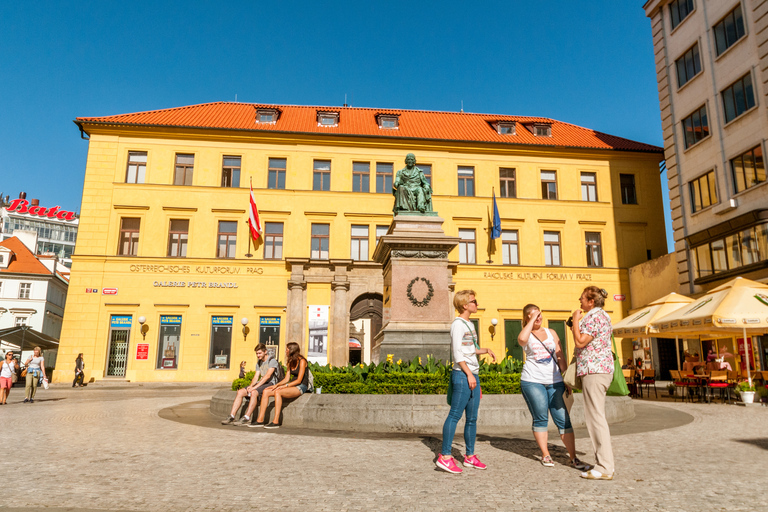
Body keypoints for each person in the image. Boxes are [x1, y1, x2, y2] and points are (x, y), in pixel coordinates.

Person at [518, 304, 590, 470]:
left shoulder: (551, 333)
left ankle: (573, 457)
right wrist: (530, 322)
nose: (539, 317)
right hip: (533, 381)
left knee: (563, 419)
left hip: (555, 381)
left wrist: (566, 379)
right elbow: (521, 340)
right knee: (541, 418)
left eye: (539, 314)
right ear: (528, 317)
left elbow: (560, 356)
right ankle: (545, 454)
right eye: (534, 315)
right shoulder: (527, 334)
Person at [436, 290, 496, 474]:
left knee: (472, 418)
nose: (476, 304)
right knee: (455, 414)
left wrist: (485, 350)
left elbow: (469, 348)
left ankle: (469, 456)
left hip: (472, 375)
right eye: (473, 301)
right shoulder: (458, 325)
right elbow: (457, 353)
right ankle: (445, 456)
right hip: (462, 375)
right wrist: (469, 374)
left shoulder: (470, 324)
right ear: (465, 305)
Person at [571, 286, 615, 480]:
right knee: (597, 417)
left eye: (582, 299)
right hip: (602, 370)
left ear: (590, 301)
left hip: (594, 371)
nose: (579, 301)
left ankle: (605, 467)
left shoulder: (593, 317)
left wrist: (575, 321)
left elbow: (580, 342)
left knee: (596, 418)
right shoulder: (604, 316)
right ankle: (604, 464)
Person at [221, 344, 280, 426]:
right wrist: (251, 386)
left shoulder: (272, 361)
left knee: (254, 392)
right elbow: (256, 376)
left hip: (271, 383)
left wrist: (254, 388)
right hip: (261, 383)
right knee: (240, 392)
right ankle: (232, 416)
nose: (258, 355)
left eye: (259, 353)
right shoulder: (259, 362)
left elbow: (267, 376)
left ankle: (247, 417)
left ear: (265, 352)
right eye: (257, 353)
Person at [253, 342, 308, 429]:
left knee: (278, 392)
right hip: (292, 385)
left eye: (287, 349)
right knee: (266, 391)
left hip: (301, 386)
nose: (285, 351)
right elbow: (286, 379)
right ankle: (260, 420)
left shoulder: (302, 361)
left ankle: (276, 421)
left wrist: (285, 386)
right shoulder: (290, 361)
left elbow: (299, 380)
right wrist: (277, 385)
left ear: (292, 350)